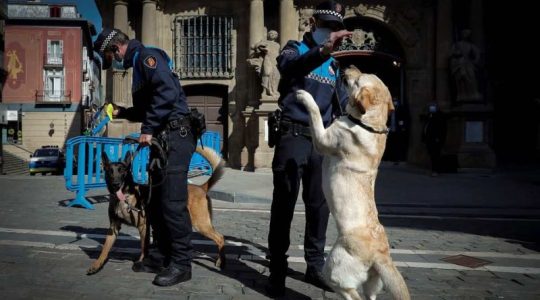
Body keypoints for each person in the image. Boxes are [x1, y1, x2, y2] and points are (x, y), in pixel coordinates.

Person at [93, 28, 196, 286]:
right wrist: (123, 111)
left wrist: (148, 129)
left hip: (175, 136)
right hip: (163, 139)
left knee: (173, 203)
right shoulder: (139, 65)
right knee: (155, 203)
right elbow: (146, 108)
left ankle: (182, 264)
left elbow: (167, 93)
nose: (113, 62)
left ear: (116, 49)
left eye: (110, 56)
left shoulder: (146, 57)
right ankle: (161, 256)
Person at [265, 1, 352, 297]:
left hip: (321, 142)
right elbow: (290, 68)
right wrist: (323, 50)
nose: (330, 33)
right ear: (313, 24)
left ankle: (315, 266)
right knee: (284, 204)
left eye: (334, 29)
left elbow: (340, 106)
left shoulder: (335, 65)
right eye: (326, 26)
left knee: (319, 207)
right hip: (293, 135)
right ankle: (277, 268)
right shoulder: (294, 49)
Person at [450, 29, 482, 102]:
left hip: (468, 63)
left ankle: (473, 93)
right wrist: (456, 53)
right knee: (461, 80)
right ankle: (462, 95)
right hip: (459, 63)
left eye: (467, 34)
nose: (466, 35)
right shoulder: (457, 44)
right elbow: (451, 54)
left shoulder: (471, 45)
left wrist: (475, 61)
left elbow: (478, 53)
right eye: (465, 33)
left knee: (471, 77)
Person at [422, 104, 447, 177]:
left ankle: (436, 170)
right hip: (429, 139)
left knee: (436, 155)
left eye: (433, 106)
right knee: (431, 155)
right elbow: (426, 127)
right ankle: (433, 169)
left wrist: (439, 138)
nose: (431, 108)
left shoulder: (440, 116)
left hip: (435, 139)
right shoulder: (430, 115)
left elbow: (442, 128)